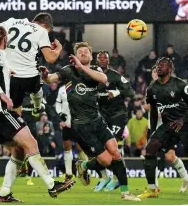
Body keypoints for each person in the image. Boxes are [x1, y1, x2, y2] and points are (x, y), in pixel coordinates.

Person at [0, 25, 74, 202]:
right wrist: (1, 94)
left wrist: (5, 74)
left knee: (19, 151)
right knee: (31, 143)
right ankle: (52, 185)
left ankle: (4, 193)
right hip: (0, 110)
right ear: (5, 39)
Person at [41, 42, 140, 201]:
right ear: (75, 55)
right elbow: (51, 78)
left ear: (91, 55)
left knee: (115, 151)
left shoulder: (96, 69)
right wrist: (46, 75)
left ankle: (125, 192)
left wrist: (82, 67)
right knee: (106, 160)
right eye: (79, 52)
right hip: (81, 125)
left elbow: (103, 78)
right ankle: (84, 165)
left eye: (86, 51)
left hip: (97, 120)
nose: (83, 53)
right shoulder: (68, 70)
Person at [137, 57, 188, 199]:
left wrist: (182, 119)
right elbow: (153, 112)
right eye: (158, 65)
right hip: (169, 124)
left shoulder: (179, 84)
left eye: (163, 65)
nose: (159, 67)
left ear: (170, 69)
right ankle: (152, 189)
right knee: (150, 148)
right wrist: (153, 132)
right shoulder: (152, 89)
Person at [142, 65, 188, 194]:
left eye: (156, 72)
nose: (155, 74)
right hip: (153, 127)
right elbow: (146, 106)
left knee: (169, 157)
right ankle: (154, 186)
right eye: (153, 72)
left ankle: (186, 179)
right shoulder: (151, 89)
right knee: (154, 155)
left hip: (167, 127)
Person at [95, 51, 135, 191]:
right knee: (99, 147)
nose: (102, 60)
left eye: (104, 58)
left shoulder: (115, 76)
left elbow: (130, 92)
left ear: (108, 61)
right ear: (96, 60)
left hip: (118, 115)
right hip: (102, 116)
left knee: (113, 145)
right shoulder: (92, 76)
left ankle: (116, 178)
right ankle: (105, 177)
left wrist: (117, 92)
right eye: (99, 58)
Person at [55, 85, 88, 182]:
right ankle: (68, 173)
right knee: (67, 147)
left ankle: (84, 171)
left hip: (79, 122)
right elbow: (58, 103)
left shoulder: (81, 86)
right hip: (67, 122)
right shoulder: (62, 89)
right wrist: (60, 113)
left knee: (80, 147)